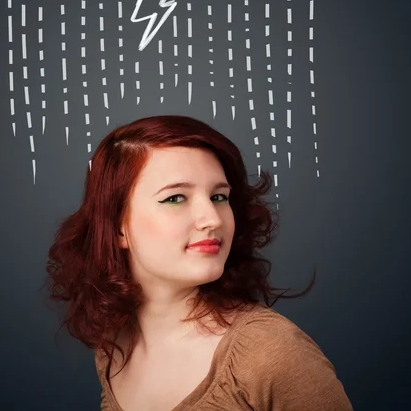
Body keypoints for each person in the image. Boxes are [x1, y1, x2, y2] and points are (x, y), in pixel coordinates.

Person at [44, 114, 354, 410]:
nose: (211, 219)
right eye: (175, 198)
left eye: (219, 197)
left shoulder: (271, 352)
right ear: (117, 228)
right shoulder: (112, 343)